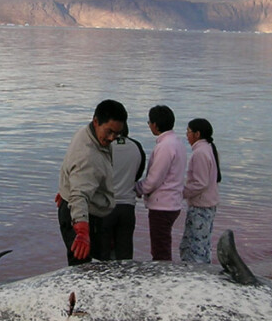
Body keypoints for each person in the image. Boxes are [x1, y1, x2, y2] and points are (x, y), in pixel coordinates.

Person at [57, 99, 128, 265]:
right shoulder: (88, 156)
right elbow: (79, 195)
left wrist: (64, 189)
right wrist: (82, 231)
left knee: (92, 265)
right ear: (96, 121)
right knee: (86, 269)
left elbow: (70, 166)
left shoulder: (86, 133)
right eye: (109, 131)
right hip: (82, 216)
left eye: (117, 134)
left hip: (74, 206)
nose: (112, 138)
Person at [135, 105, 187, 261]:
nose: (149, 125)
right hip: (173, 202)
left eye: (149, 122)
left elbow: (154, 180)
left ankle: (163, 274)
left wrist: (137, 188)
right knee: (162, 244)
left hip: (163, 205)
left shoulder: (165, 146)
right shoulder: (177, 142)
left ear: (155, 125)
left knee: (160, 250)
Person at [180, 117, 222, 264]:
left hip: (201, 206)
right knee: (202, 243)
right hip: (207, 204)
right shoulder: (208, 149)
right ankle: (203, 268)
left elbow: (200, 183)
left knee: (195, 245)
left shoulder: (200, 153)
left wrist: (181, 193)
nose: (187, 135)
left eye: (188, 132)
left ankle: (197, 271)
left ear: (197, 134)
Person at [101, 122, 145, 259]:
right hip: (127, 206)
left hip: (105, 206)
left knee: (102, 254)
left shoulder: (104, 147)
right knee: (125, 253)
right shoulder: (136, 146)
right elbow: (137, 174)